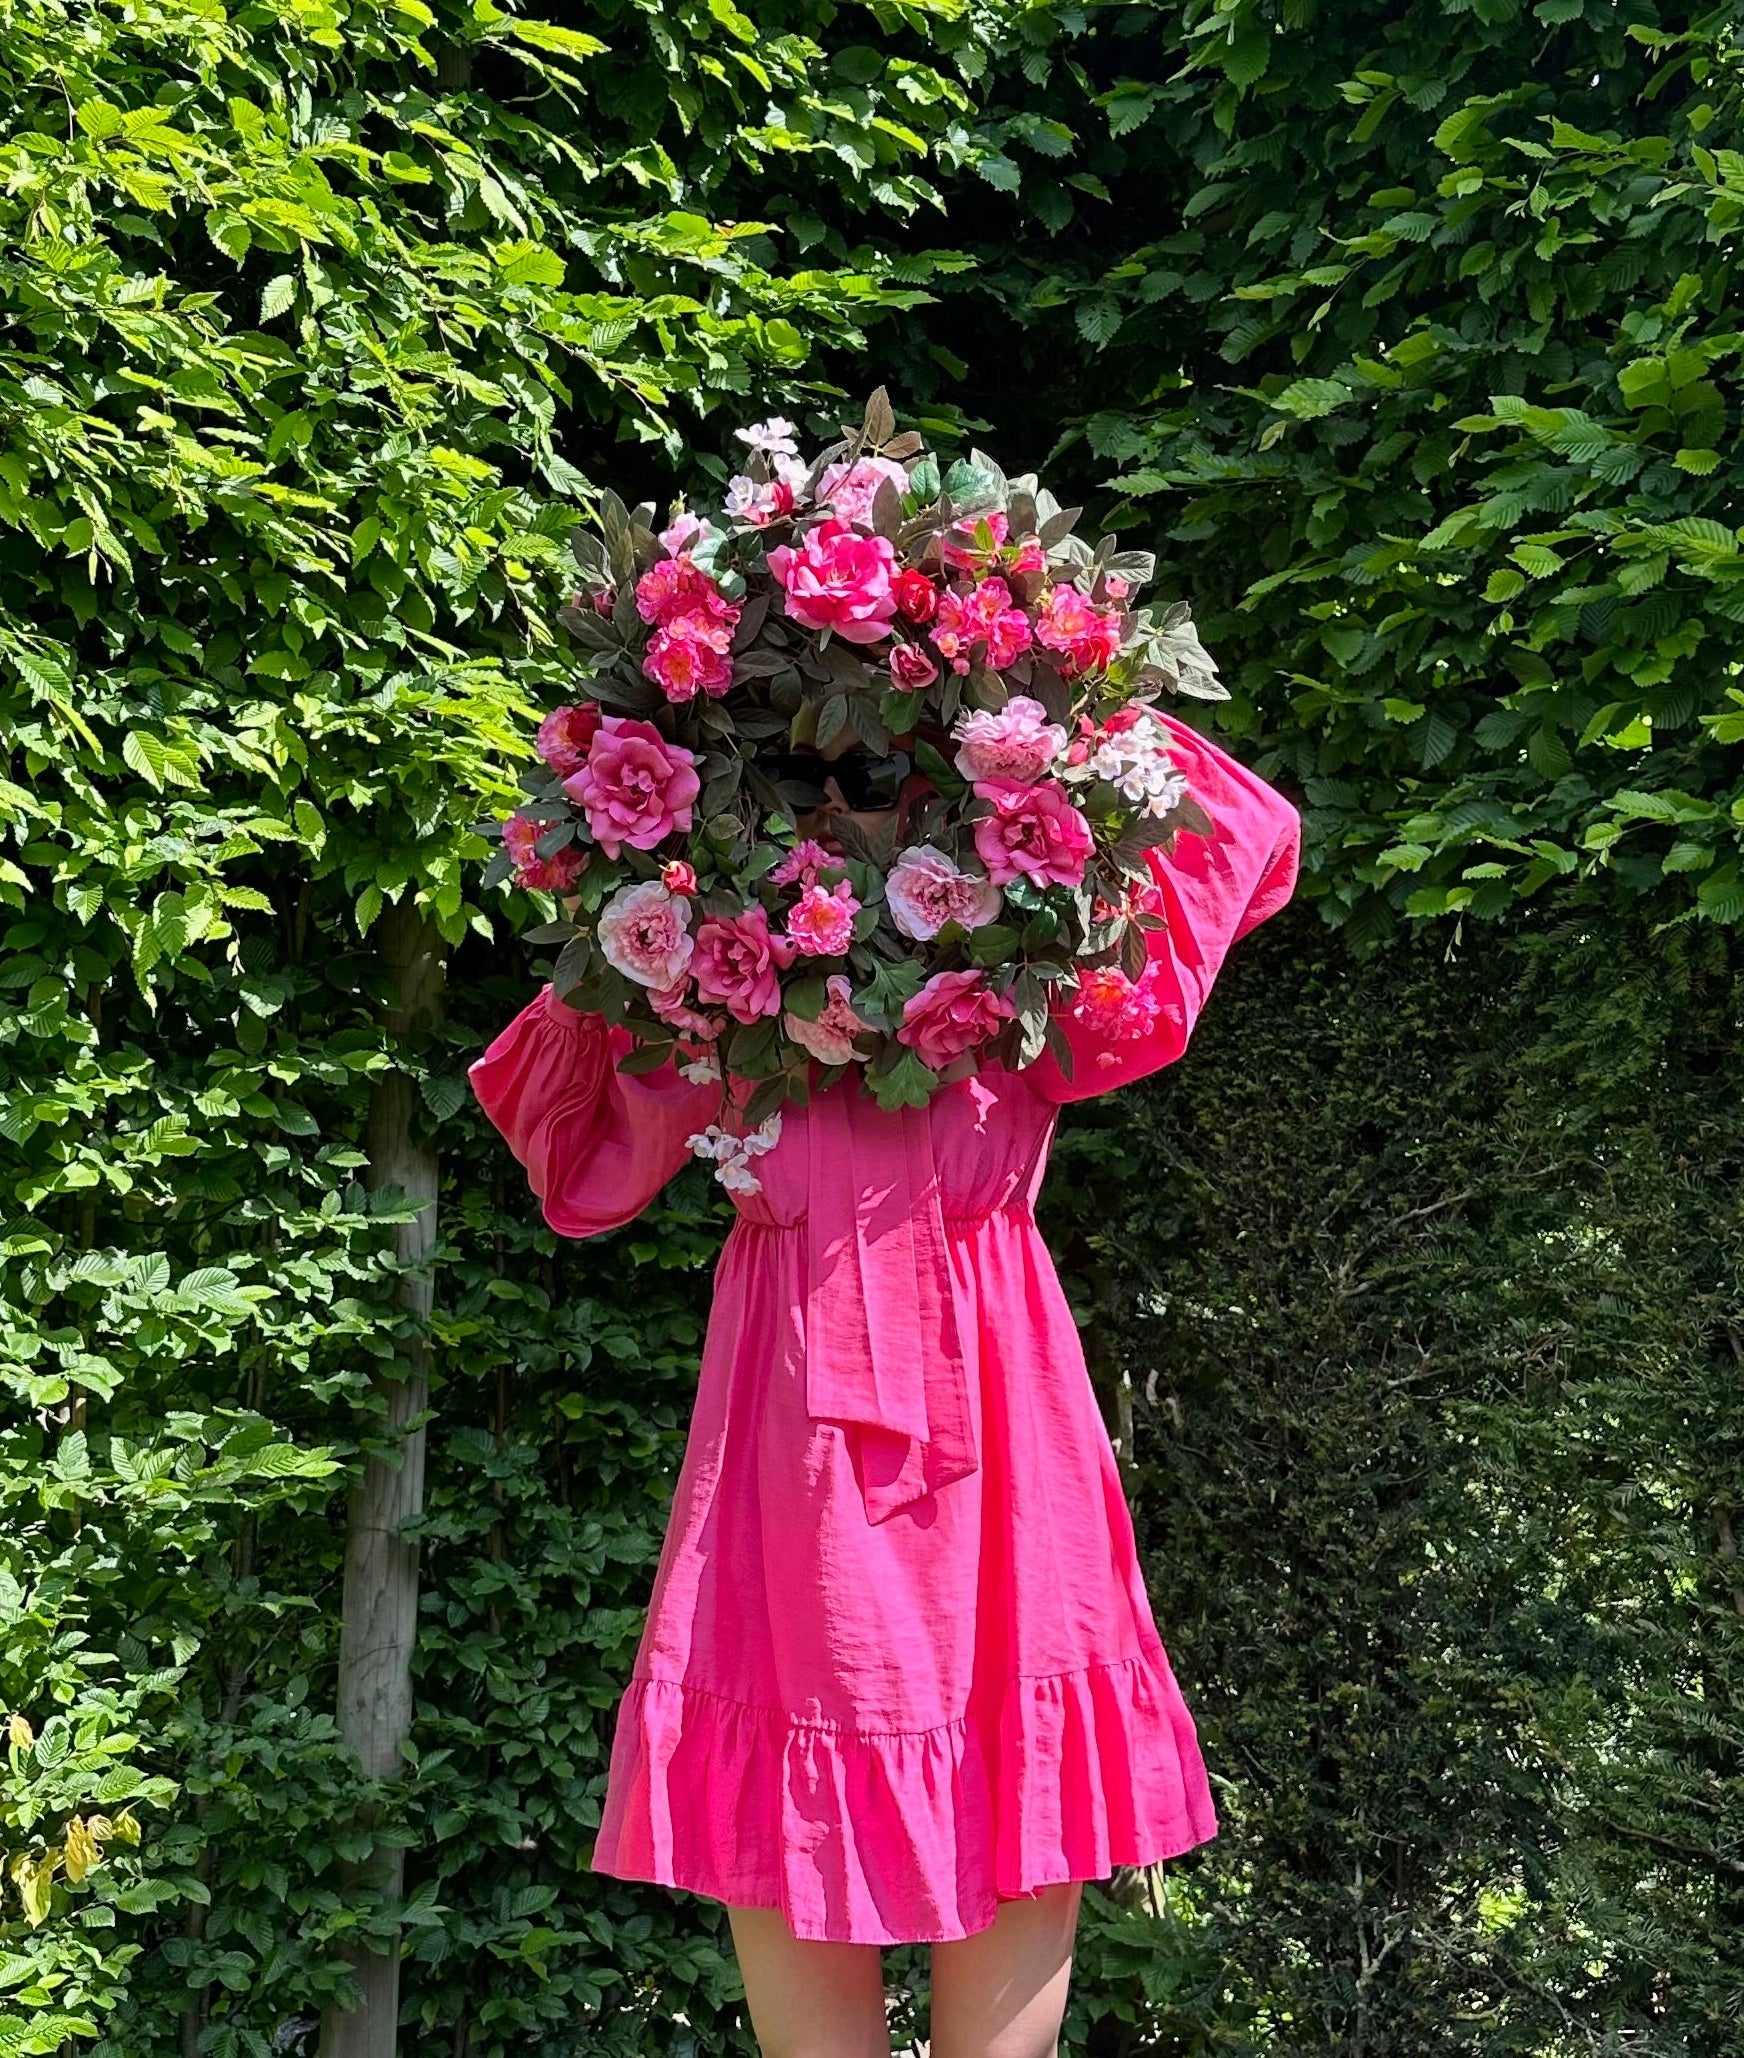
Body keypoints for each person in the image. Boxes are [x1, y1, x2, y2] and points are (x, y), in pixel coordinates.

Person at [470, 711, 1300, 2058]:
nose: (853, 802)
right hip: (790, 1452)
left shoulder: (1032, 934)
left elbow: (1235, 833)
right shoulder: (719, 977)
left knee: (1014, 1886)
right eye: (805, 769)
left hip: (1004, 1437)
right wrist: (642, 894)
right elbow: (566, 1151)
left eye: (890, 763)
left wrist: (1044, 680)